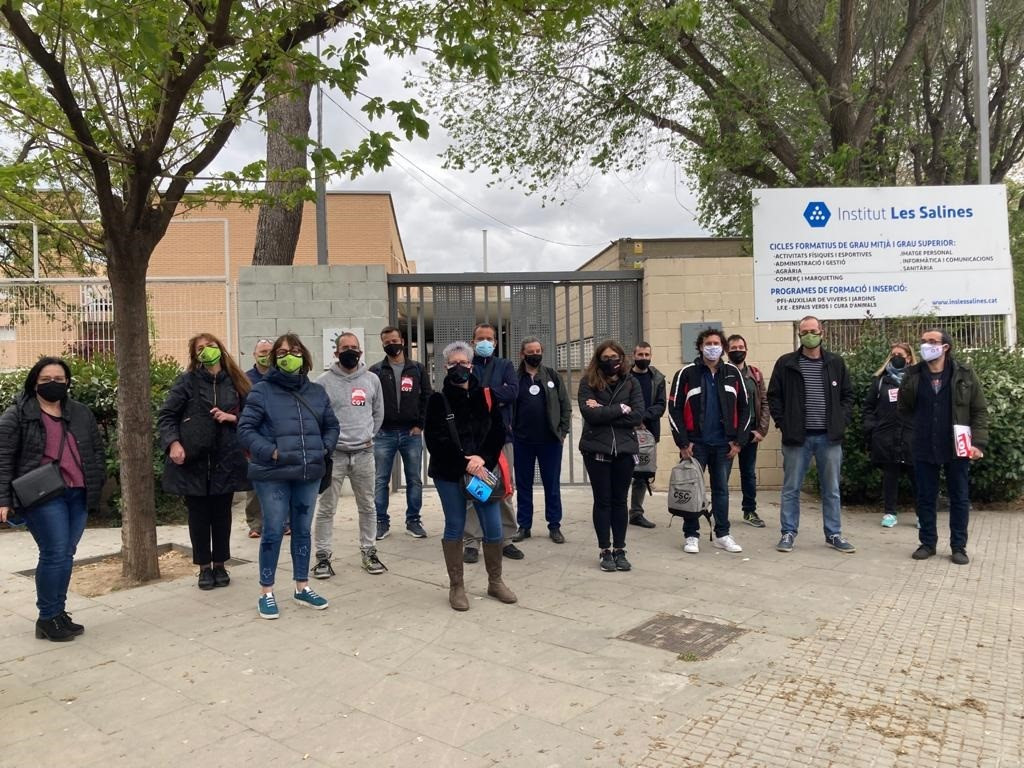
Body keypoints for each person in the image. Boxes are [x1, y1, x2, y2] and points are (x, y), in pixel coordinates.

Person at [0, 357, 105, 642]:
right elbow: (4, 458)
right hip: (43, 495)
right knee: (54, 552)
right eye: (47, 379)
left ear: (68, 382)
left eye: (59, 379)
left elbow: (96, 449)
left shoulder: (80, 413)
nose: (53, 384)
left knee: (66, 553)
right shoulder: (18, 414)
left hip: (78, 491)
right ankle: (47, 617)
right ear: (35, 382)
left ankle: (58, 613)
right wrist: (3, 500)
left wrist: (97, 480)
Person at [238, 333, 340, 619]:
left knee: (302, 530)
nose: (288, 356)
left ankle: (301, 587)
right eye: (281, 352)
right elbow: (245, 430)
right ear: (274, 359)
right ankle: (266, 591)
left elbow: (331, 425)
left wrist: (324, 447)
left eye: (294, 351)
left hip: (307, 471)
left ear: (304, 356)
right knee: (272, 530)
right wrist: (270, 452)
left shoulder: (317, 392)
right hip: (272, 474)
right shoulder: (261, 391)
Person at [425, 341, 517, 611]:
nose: (459, 368)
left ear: (471, 364)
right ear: (445, 367)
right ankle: (457, 587)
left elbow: (497, 432)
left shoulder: (486, 396)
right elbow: (434, 440)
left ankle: (495, 581)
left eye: (463, 363)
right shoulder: (437, 400)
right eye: (453, 364)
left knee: (493, 525)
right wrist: (464, 463)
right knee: (455, 524)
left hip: (482, 472)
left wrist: (482, 459)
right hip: (449, 472)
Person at [158, 333, 252, 590]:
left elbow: (255, 416)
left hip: (227, 458)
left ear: (220, 348)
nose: (206, 350)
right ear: (194, 354)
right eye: (200, 348)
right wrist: (173, 443)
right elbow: (167, 415)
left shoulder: (236, 381)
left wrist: (231, 418)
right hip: (195, 460)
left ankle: (221, 563)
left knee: (222, 515)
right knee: (198, 516)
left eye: (210, 346)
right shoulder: (186, 382)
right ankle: (203, 567)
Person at [766, 316, 856, 554]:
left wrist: (841, 421)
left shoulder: (835, 362)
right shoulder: (786, 363)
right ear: (799, 334)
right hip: (798, 438)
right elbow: (774, 396)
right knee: (791, 488)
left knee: (832, 489)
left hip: (829, 438)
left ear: (822, 332)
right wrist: (784, 423)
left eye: (813, 331)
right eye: (804, 331)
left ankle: (834, 534)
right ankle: (788, 533)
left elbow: (848, 396)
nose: (809, 335)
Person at [898, 329, 988, 565]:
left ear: (945, 347)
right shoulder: (913, 374)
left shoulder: (965, 375)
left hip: (956, 445)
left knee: (959, 497)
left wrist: (978, 443)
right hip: (924, 444)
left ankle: (959, 546)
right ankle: (927, 543)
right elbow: (904, 408)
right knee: (925, 497)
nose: (926, 345)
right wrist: (911, 432)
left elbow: (978, 410)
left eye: (931, 342)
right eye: (923, 342)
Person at [668, 328, 750, 554]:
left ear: (722, 347)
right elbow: (674, 410)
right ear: (700, 346)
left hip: (725, 445)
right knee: (693, 489)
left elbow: (746, 409)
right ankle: (691, 535)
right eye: (708, 343)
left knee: (721, 490)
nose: (712, 346)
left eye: (716, 343)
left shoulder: (733, 373)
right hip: (696, 445)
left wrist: (738, 442)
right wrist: (683, 443)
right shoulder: (686, 373)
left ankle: (722, 534)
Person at [313, 332, 386, 578]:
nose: (350, 351)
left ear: (361, 352)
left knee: (367, 506)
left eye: (354, 347)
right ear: (336, 352)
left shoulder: (372, 380)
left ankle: (369, 551)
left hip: (364, 453)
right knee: (326, 508)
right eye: (345, 347)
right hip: (334, 455)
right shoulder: (322, 382)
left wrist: (367, 435)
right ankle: (322, 557)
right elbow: (318, 418)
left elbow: (378, 414)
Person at [578, 340, 645, 572]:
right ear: (599, 359)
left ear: (622, 358)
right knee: (603, 500)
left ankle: (620, 549)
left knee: (620, 501)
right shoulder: (588, 381)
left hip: (625, 450)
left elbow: (637, 415)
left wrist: (603, 410)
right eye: (606, 358)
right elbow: (589, 414)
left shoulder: (631, 382)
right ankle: (605, 550)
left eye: (614, 357)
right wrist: (619, 408)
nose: (611, 362)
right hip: (596, 449)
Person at [463, 323, 523, 563]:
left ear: (496, 343)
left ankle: (506, 539)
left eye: (489, 338)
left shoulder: (505, 365)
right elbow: (464, 395)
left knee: (504, 489)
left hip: (502, 438)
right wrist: (493, 394)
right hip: (472, 441)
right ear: (473, 341)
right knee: (472, 488)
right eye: (480, 338)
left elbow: (512, 392)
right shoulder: (466, 366)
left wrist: (483, 394)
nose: (485, 342)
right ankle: (471, 541)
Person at [369, 326, 431, 540]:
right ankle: (381, 521)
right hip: (383, 434)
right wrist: (373, 428)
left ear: (402, 340)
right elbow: (370, 402)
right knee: (380, 479)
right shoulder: (375, 370)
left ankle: (413, 520)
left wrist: (420, 425)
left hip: (410, 433)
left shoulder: (417, 369)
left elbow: (427, 398)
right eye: (387, 342)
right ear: (383, 344)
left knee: (414, 479)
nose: (391, 344)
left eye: (394, 340)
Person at [510, 337, 571, 544]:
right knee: (523, 485)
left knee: (551, 485)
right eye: (530, 351)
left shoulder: (552, 375)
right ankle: (524, 526)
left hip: (550, 441)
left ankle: (554, 526)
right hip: (522, 441)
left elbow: (565, 405)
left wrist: (563, 432)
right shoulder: (515, 377)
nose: (535, 354)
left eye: (538, 351)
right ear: (522, 354)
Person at [863, 343, 916, 528]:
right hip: (887, 437)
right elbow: (869, 407)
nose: (896, 357)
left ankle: (922, 515)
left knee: (918, 477)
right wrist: (872, 428)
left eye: (900, 354)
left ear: (909, 357)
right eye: (893, 354)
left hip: (911, 437)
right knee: (890, 478)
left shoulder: (918, 378)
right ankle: (890, 513)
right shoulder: (880, 381)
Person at [726, 334, 771, 528]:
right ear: (727, 351)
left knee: (748, 474)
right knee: (722, 474)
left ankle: (749, 511)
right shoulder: (722, 372)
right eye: (733, 348)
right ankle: (720, 512)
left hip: (751, 433)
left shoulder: (755, 374)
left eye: (740, 347)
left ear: (746, 349)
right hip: (727, 434)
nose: (738, 350)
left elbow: (765, 402)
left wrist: (762, 430)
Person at [627, 341, 666, 528]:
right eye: (640, 355)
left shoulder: (657, 378)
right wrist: (634, 419)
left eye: (646, 355)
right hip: (625, 431)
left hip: (648, 433)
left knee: (641, 475)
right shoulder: (624, 376)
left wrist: (643, 417)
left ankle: (636, 512)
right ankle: (614, 511)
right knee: (622, 472)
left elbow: (660, 405)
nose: (644, 358)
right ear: (633, 356)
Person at [242, 337, 274, 537]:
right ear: (254, 355)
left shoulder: (282, 376)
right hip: (255, 438)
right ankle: (255, 524)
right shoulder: (244, 379)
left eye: (270, 352)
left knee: (283, 481)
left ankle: (284, 521)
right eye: (262, 352)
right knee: (254, 484)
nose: (266, 356)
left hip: (279, 437)